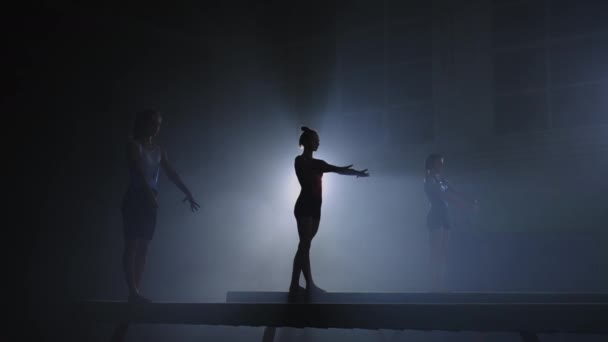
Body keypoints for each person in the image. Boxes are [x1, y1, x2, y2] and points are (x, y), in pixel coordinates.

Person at [121, 109, 200, 302]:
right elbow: (138, 172)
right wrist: (148, 194)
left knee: (144, 247)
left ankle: (136, 291)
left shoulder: (158, 150)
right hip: (135, 198)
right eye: (153, 123)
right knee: (132, 244)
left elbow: (171, 174)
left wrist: (188, 192)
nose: (156, 128)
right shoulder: (133, 145)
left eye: (158, 125)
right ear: (143, 123)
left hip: (150, 201)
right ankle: (132, 290)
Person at [289, 126, 369, 295]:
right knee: (304, 245)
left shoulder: (319, 164)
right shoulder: (301, 161)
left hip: (315, 208)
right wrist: (341, 169)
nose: (318, 142)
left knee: (304, 246)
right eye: (316, 139)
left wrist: (355, 172)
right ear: (308, 142)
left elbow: (339, 170)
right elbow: (335, 169)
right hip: (304, 206)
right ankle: (305, 284)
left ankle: (298, 285)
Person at [424, 153, 477, 292]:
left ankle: (440, 286)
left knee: (443, 253)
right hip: (436, 215)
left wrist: (468, 199)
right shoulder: (429, 179)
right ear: (432, 164)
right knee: (435, 254)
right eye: (438, 163)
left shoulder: (442, 179)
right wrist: (465, 205)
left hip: (445, 216)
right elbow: (445, 196)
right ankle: (434, 287)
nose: (441, 165)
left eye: (442, 163)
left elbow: (455, 192)